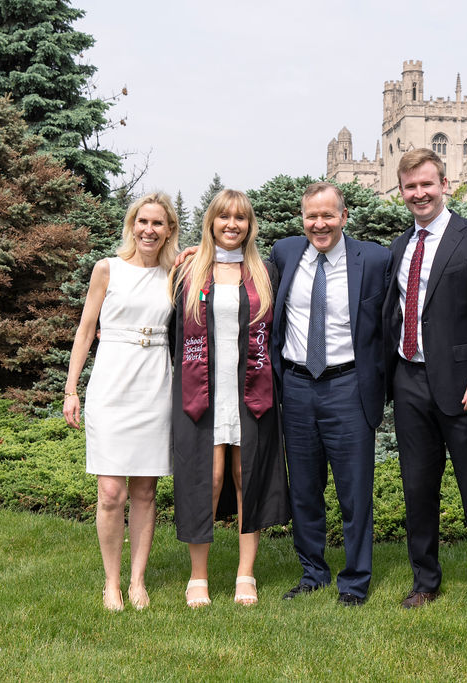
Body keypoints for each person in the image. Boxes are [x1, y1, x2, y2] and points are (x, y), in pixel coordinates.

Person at [383, 148, 467, 620]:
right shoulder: (400, 246)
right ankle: (425, 582)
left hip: (465, 387)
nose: (419, 193)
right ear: (402, 191)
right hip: (409, 382)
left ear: (445, 185)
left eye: (427, 184)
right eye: (410, 187)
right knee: (418, 490)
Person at [269, 182, 390, 607]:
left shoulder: (373, 259)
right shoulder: (285, 254)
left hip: (349, 387)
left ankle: (355, 582)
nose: (319, 224)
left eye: (327, 215)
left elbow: (391, 321)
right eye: (311, 216)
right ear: (302, 218)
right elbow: (236, 268)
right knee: (304, 489)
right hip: (298, 387)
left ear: (343, 216)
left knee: (354, 492)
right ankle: (313, 572)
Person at [170, 189, 289, 608]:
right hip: (200, 389)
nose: (232, 224)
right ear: (211, 222)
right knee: (209, 478)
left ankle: (245, 574)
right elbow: (172, 336)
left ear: (250, 225)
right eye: (224, 217)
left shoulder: (265, 273)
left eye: (240, 217)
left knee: (246, 479)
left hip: (251, 390)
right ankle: (197, 577)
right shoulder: (186, 272)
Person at [63, 193, 179, 612]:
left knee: (145, 491)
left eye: (158, 223)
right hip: (112, 382)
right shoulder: (106, 269)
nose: (149, 230)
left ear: (169, 230)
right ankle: (110, 582)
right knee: (111, 492)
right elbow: (84, 331)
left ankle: (137, 580)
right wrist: (71, 388)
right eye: (142, 221)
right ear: (132, 224)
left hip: (154, 384)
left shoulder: (174, 272)